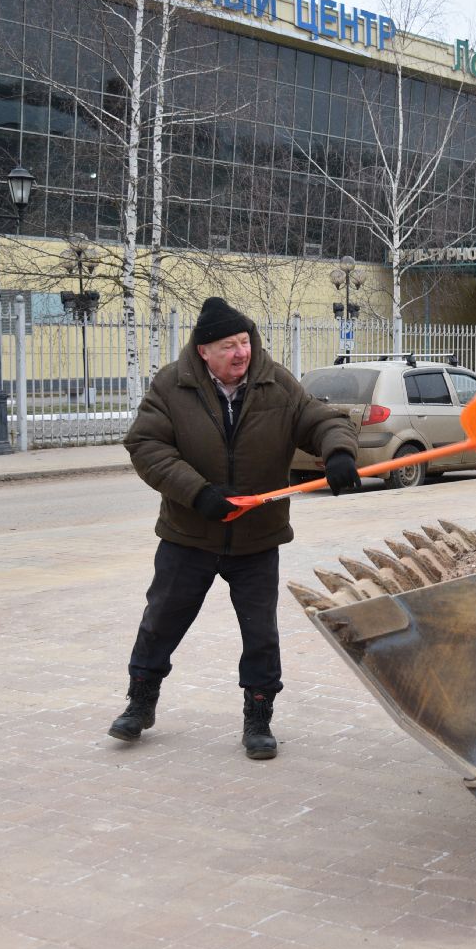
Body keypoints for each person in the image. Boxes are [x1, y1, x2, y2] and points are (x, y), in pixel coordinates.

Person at [109, 296, 360, 759]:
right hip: (190, 534)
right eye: (228, 346)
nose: (241, 352)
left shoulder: (275, 382)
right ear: (203, 351)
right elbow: (145, 446)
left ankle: (258, 719)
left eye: (244, 341)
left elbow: (322, 421)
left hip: (256, 538)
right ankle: (139, 704)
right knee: (161, 622)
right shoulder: (171, 386)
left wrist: (339, 451)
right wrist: (199, 493)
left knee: (260, 635)